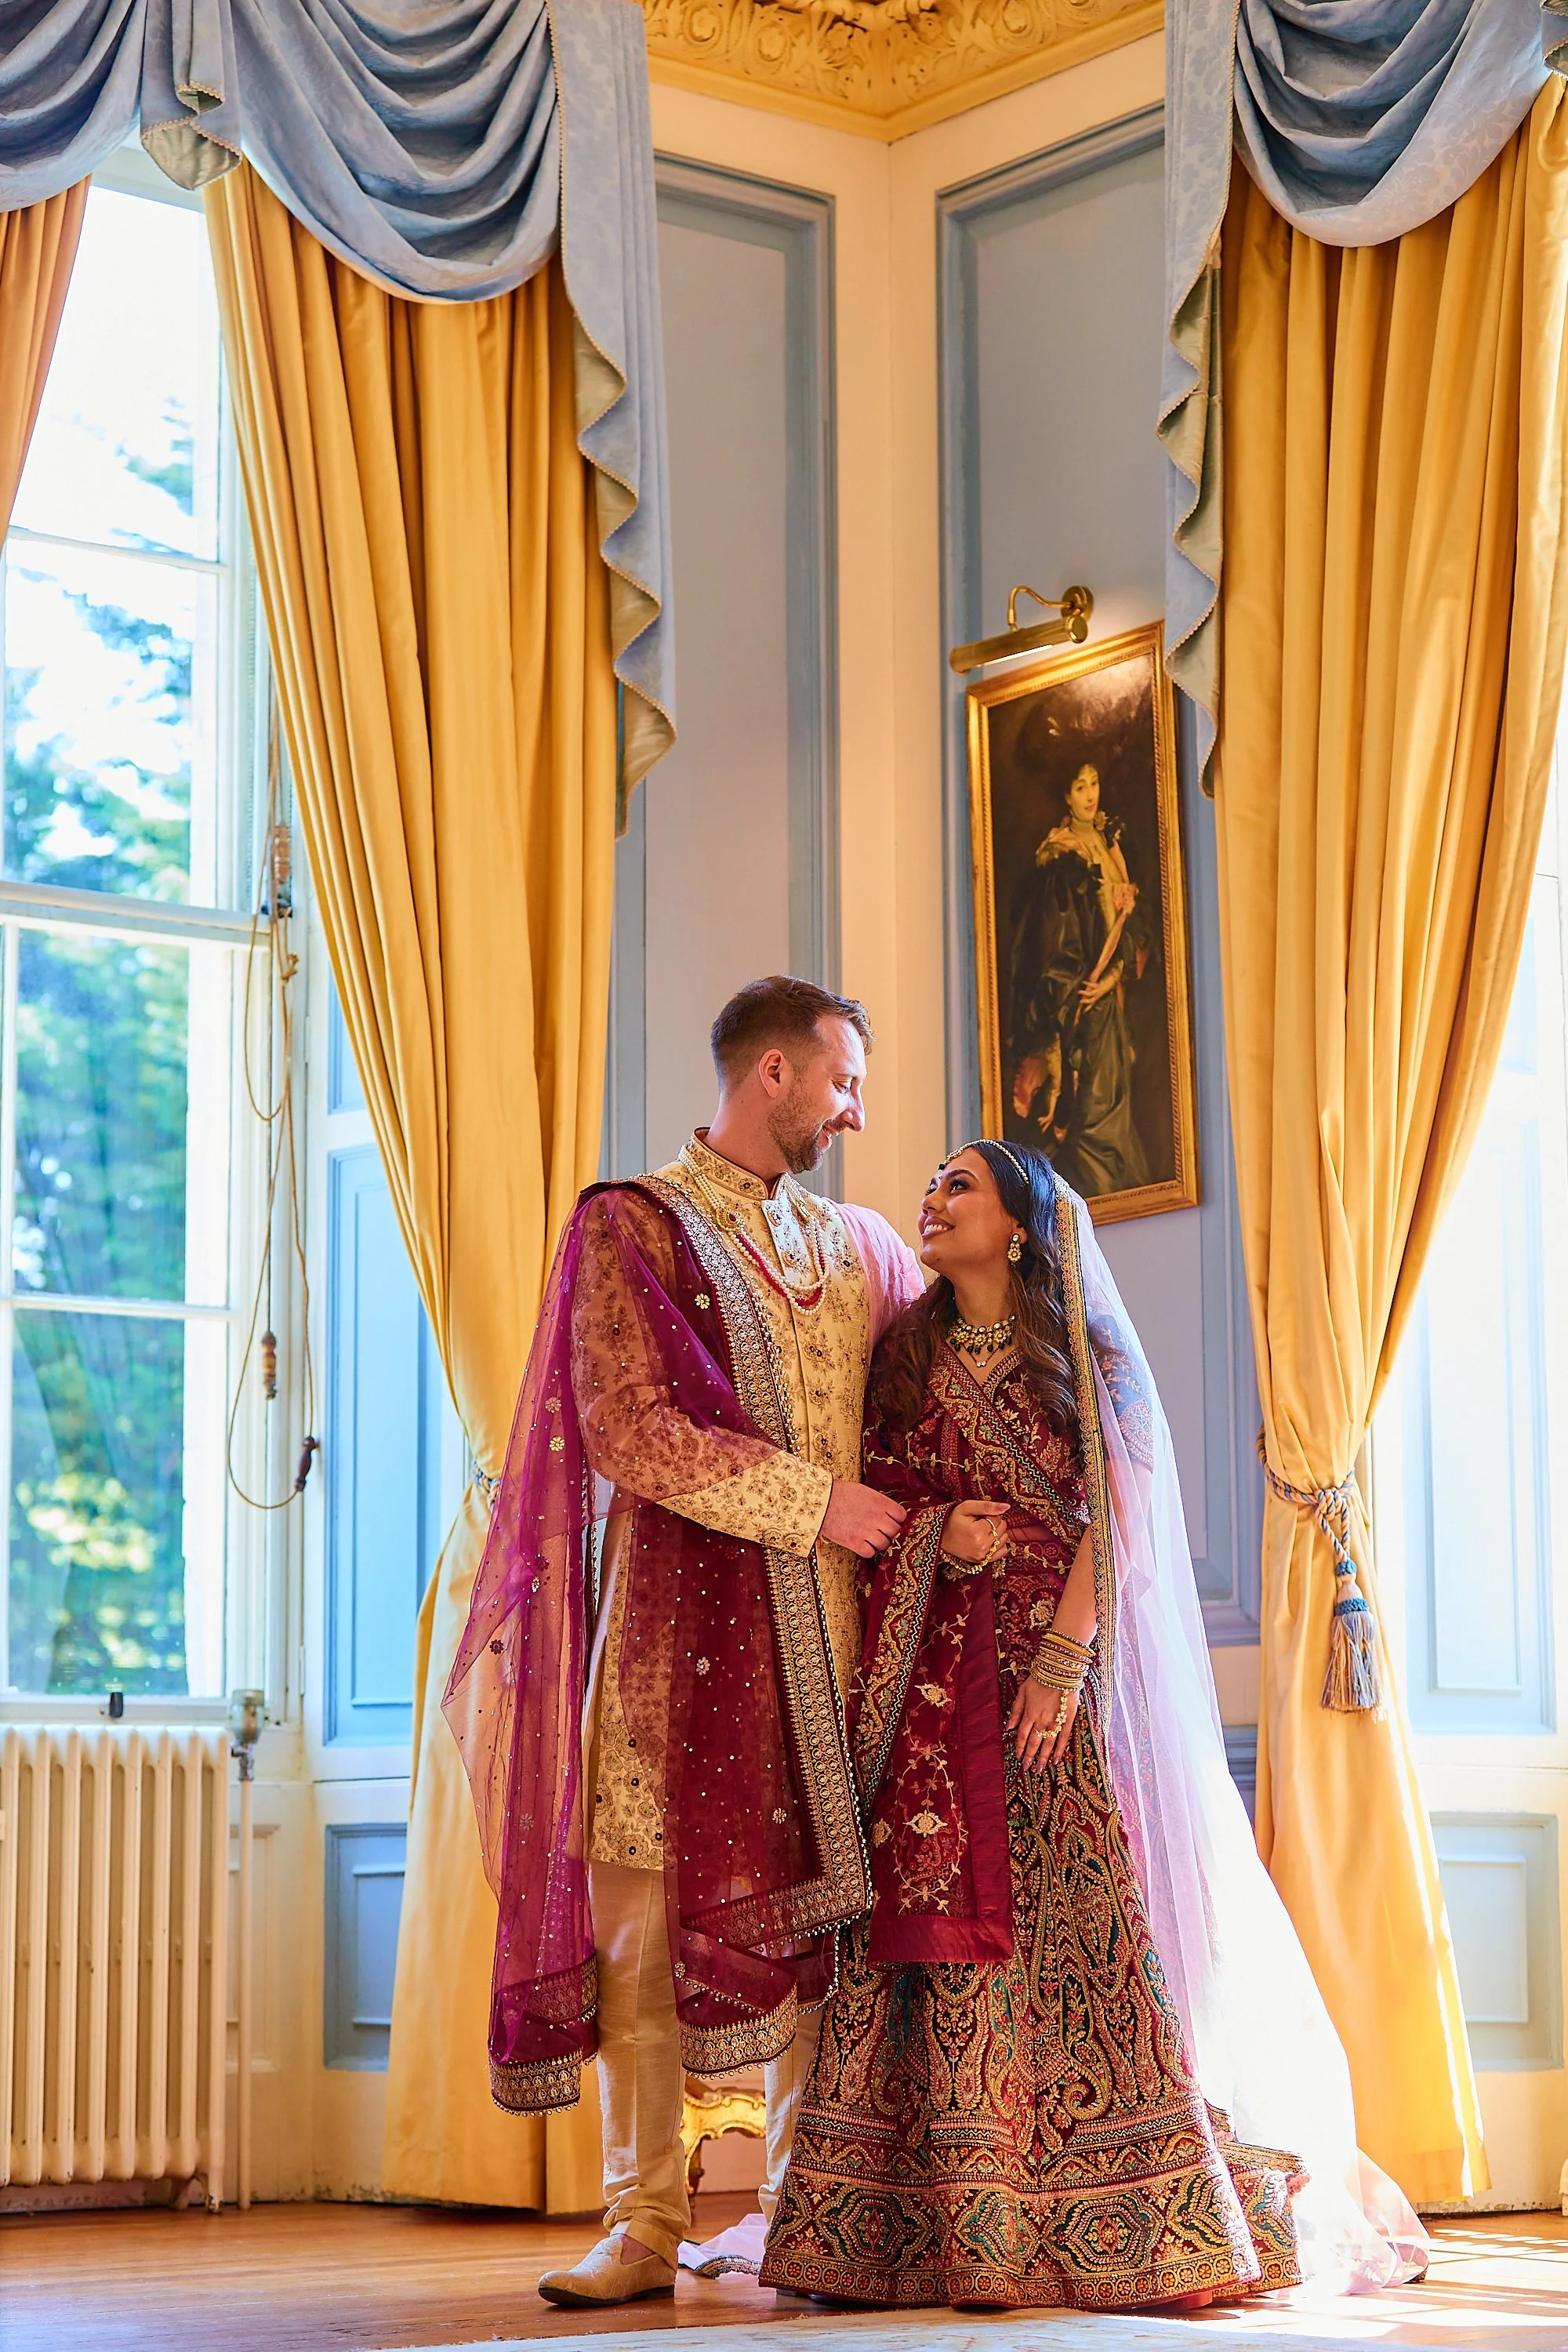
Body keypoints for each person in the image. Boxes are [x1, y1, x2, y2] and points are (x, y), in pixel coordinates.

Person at [760, 1141, 1428, 2311]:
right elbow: (886, 1504)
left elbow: (1116, 1522)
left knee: (1069, 1938)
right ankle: (940, 2223)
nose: (933, 1198)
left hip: (1045, 1693)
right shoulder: (904, 1357)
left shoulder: (1086, 1357)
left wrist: (1064, 1666)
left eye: (959, 1186)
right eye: (932, 1184)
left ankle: (1119, 2207)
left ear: (1019, 1226)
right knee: (927, 1942)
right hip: (926, 1690)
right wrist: (936, 1542)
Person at [442, 975, 924, 2309]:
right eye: (842, 1079)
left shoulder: (864, 1246)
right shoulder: (631, 1228)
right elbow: (630, 1431)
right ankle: (643, 2222)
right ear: (771, 1073)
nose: (855, 1107)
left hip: (832, 1641)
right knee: (641, 1931)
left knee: (824, 1924)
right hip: (672, 1638)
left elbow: (943, 1384)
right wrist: (816, 1502)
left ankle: (801, 2211)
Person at [1007, 764, 1151, 1196]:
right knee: (1094, 1114)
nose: (1090, 794)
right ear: (1065, 796)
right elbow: (1059, 953)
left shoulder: (1111, 844)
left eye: (1094, 783)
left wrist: (1113, 978)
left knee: (1115, 1107)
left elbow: (1135, 936)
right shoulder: (1062, 859)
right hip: (1087, 1011)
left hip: (1112, 1002)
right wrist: (1086, 991)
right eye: (1079, 786)